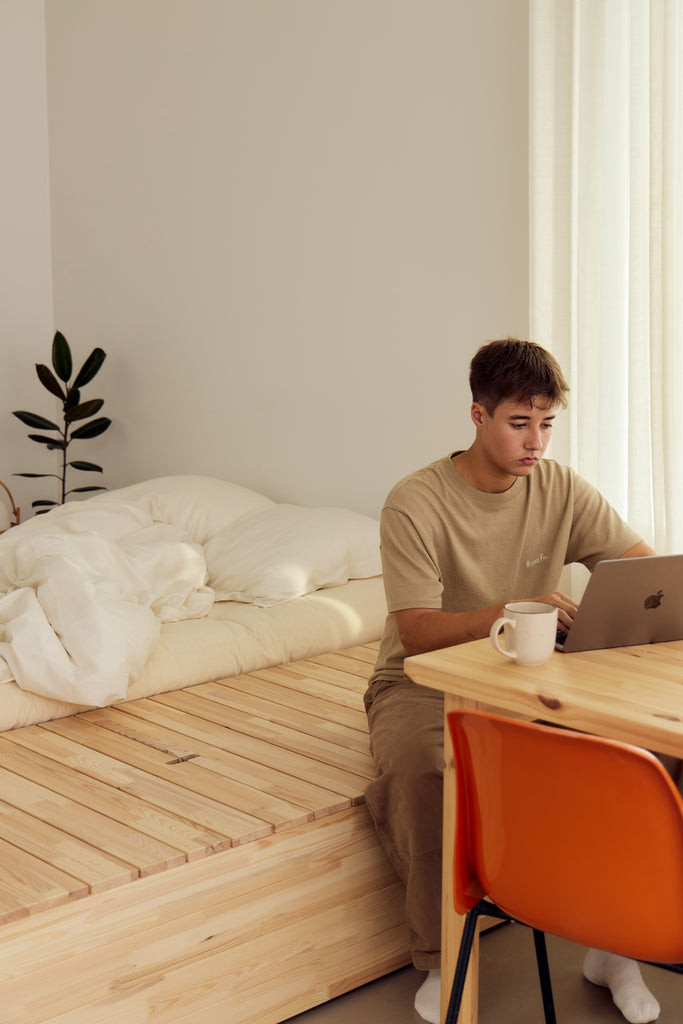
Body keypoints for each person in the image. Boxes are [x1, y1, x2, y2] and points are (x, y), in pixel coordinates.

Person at [363, 338, 665, 1024]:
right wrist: (504, 613)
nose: (535, 441)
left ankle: (611, 947)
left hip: (531, 671)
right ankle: (443, 958)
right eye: (518, 422)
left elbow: (644, 570)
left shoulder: (561, 488)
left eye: (546, 423)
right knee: (420, 768)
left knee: (630, 756)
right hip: (419, 681)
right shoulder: (413, 501)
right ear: (476, 415)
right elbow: (414, 632)